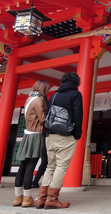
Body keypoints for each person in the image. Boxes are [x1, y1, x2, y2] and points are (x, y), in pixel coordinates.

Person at [36, 72, 83, 209]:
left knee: (51, 165)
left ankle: (41, 198)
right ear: (76, 82)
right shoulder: (75, 94)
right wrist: (77, 134)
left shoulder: (54, 95)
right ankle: (52, 199)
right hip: (65, 135)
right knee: (61, 166)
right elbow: (78, 114)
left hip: (50, 135)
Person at [13, 80, 50, 207]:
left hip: (27, 135)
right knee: (30, 166)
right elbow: (43, 119)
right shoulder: (39, 101)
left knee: (22, 166)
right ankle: (27, 198)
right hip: (36, 135)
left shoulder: (29, 99)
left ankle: (18, 197)